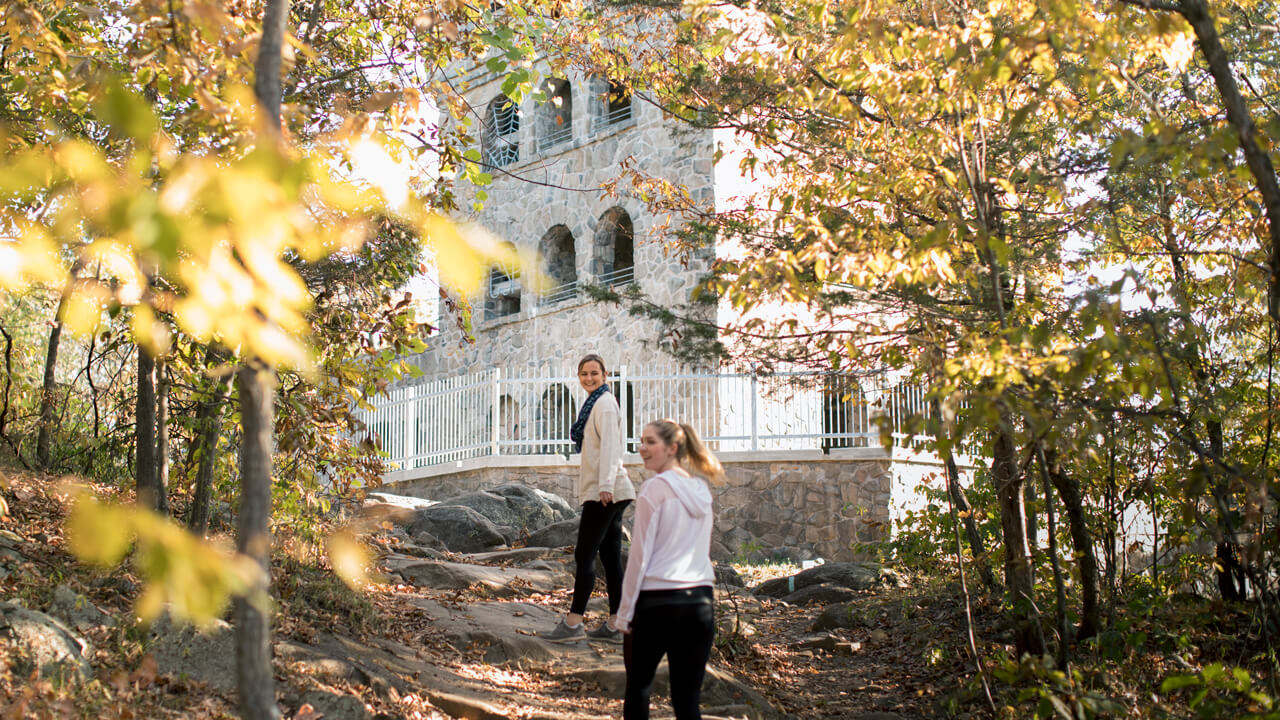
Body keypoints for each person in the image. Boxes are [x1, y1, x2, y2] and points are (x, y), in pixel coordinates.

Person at [616, 419, 724, 720]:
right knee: (687, 701)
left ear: (672, 448)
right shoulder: (701, 491)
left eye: (650, 442)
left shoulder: (654, 489)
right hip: (700, 603)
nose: (642, 448)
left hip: (657, 604)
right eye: (641, 441)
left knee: (638, 690)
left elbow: (639, 557)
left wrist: (624, 613)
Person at [542, 353, 637, 642]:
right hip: (607, 489)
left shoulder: (605, 405)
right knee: (609, 557)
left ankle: (573, 624)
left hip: (605, 492)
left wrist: (605, 486)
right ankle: (616, 625)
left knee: (584, 555)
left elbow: (611, 448)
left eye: (594, 373)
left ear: (604, 375)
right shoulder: (595, 403)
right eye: (584, 374)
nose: (589, 378)